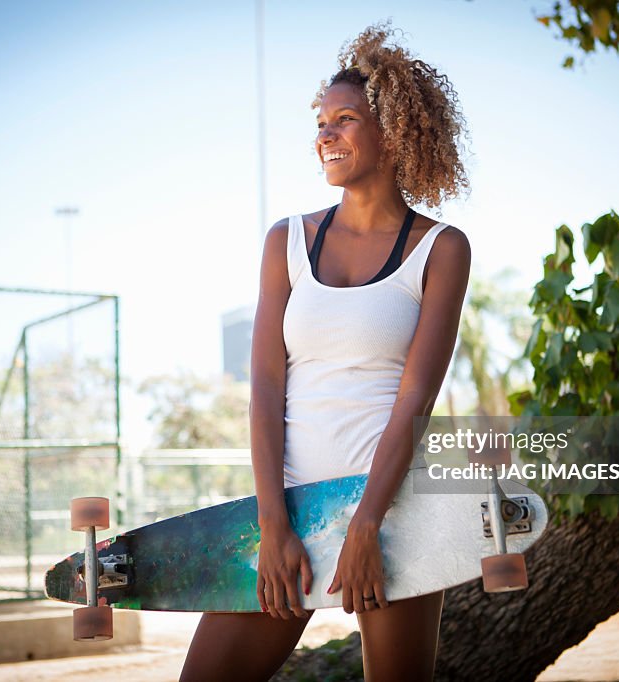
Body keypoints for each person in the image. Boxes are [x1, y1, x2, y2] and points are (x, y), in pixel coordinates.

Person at [181, 21, 471, 682]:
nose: (326, 134)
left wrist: (368, 524)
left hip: (397, 514)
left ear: (395, 131)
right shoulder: (286, 241)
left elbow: (416, 400)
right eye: (321, 121)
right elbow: (264, 388)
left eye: (345, 119)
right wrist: (272, 523)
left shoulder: (440, 249)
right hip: (292, 511)